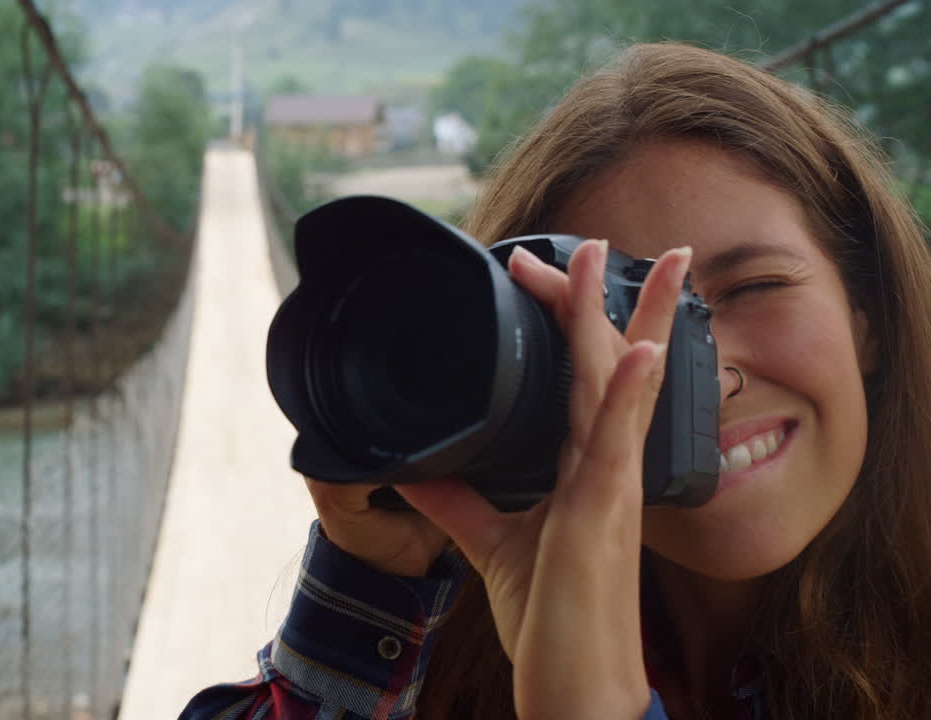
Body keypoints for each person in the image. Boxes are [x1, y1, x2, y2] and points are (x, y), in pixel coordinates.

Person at [181, 42, 931, 720]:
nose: (713, 382)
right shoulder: (466, 635)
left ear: (865, 314)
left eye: (755, 287)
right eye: (616, 325)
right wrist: (372, 586)